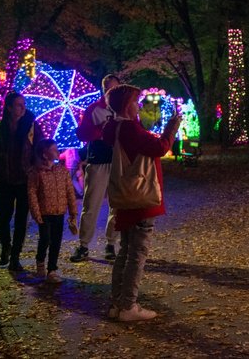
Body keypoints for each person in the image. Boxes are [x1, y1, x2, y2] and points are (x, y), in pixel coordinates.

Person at [104, 84, 182, 322]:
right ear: (125, 105)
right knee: (137, 252)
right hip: (141, 197)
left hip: (126, 196)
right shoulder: (129, 129)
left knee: (126, 250)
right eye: (135, 102)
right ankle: (129, 305)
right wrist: (171, 129)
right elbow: (159, 148)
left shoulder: (112, 127)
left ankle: (118, 303)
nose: (138, 106)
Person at [0, 92, 43, 272]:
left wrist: (34, 170)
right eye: (18, 104)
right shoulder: (0, 128)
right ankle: (6, 248)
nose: (22, 107)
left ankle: (15, 256)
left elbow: (39, 149)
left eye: (23, 104)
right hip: (5, 179)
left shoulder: (31, 126)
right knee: (3, 217)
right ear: (9, 107)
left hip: (25, 179)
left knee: (21, 219)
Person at [71, 74, 122, 263]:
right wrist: (102, 129)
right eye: (109, 89)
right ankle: (84, 245)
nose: (112, 92)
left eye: (115, 89)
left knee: (117, 205)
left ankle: (111, 243)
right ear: (103, 89)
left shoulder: (124, 109)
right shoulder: (94, 109)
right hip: (98, 160)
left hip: (118, 161)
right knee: (91, 204)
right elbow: (82, 134)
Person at [27, 139, 78, 282]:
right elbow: (32, 194)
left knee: (56, 241)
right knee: (45, 239)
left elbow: (70, 192)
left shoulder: (62, 171)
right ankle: (40, 262)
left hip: (59, 212)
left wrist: (73, 212)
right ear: (45, 154)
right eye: (54, 149)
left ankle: (52, 269)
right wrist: (36, 213)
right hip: (44, 213)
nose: (58, 151)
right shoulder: (36, 173)